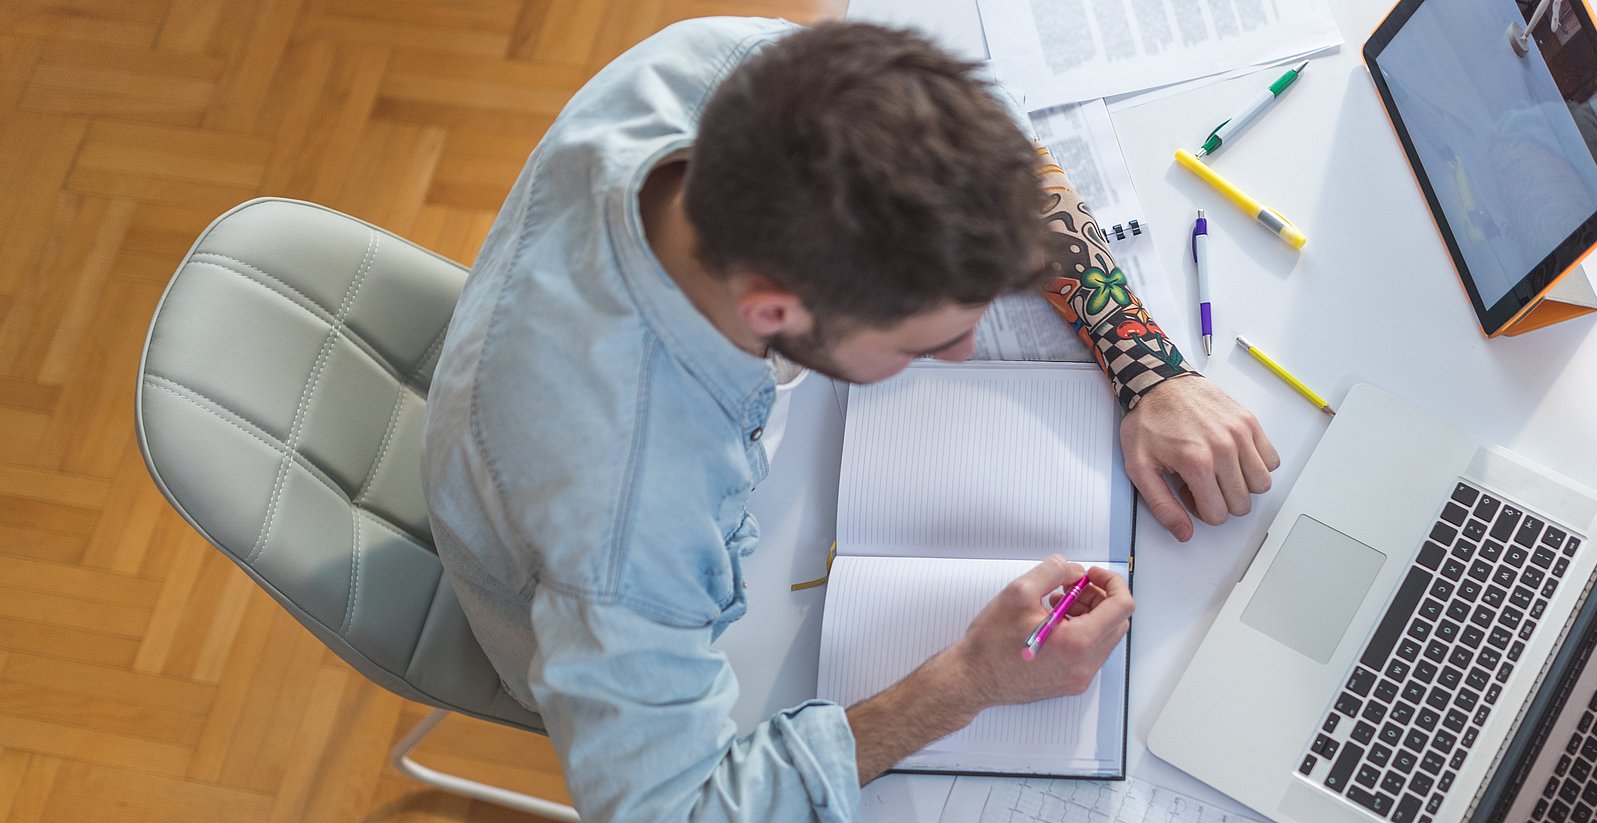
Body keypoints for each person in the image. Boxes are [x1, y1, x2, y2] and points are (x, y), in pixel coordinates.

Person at [421, 17, 1279, 822]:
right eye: (931, 339)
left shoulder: (728, 68)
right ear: (773, 315)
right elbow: (678, 809)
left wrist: (1147, 365)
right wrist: (965, 681)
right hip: (626, 635)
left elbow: (1007, 158)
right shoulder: (629, 521)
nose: (962, 358)